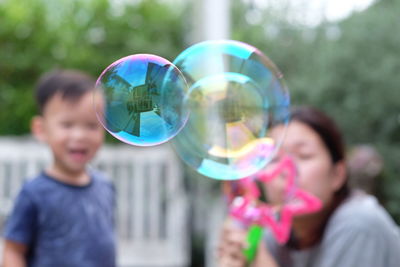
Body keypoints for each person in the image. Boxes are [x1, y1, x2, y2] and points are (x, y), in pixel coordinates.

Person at [217, 106, 400, 267]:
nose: (286, 170)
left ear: (338, 175)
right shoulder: (271, 235)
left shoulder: (359, 224)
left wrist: (257, 255)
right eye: (274, 159)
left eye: (303, 155)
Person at [2, 69, 116, 267]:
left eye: (91, 126)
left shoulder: (105, 186)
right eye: (67, 125)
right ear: (41, 130)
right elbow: (13, 250)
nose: (80, 136)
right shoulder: (35, 193)